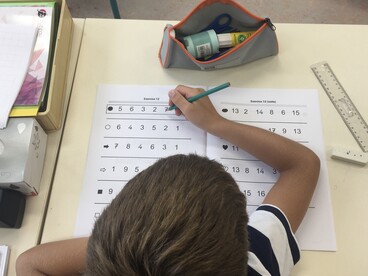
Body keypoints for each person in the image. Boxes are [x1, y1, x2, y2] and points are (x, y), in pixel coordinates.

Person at [16, 85, 320, 276]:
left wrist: (119, 247)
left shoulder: (108, 259)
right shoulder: (258, 264)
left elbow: (30, 263)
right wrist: (217, 123)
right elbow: (302, 166)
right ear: (243, 245)